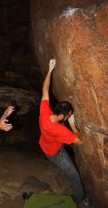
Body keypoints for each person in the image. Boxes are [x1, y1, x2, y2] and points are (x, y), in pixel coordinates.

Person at [39, 59, 88, 205]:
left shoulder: (44, 111)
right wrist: (72, 125)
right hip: (55, 153)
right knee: (74, 175)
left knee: (64, 142)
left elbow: (44, 90)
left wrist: (50, 70)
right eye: (68, 115)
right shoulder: (60, 129)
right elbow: (80, 141)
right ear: (62, 116)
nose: (69, 117)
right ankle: (80, 201)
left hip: (46, 143)